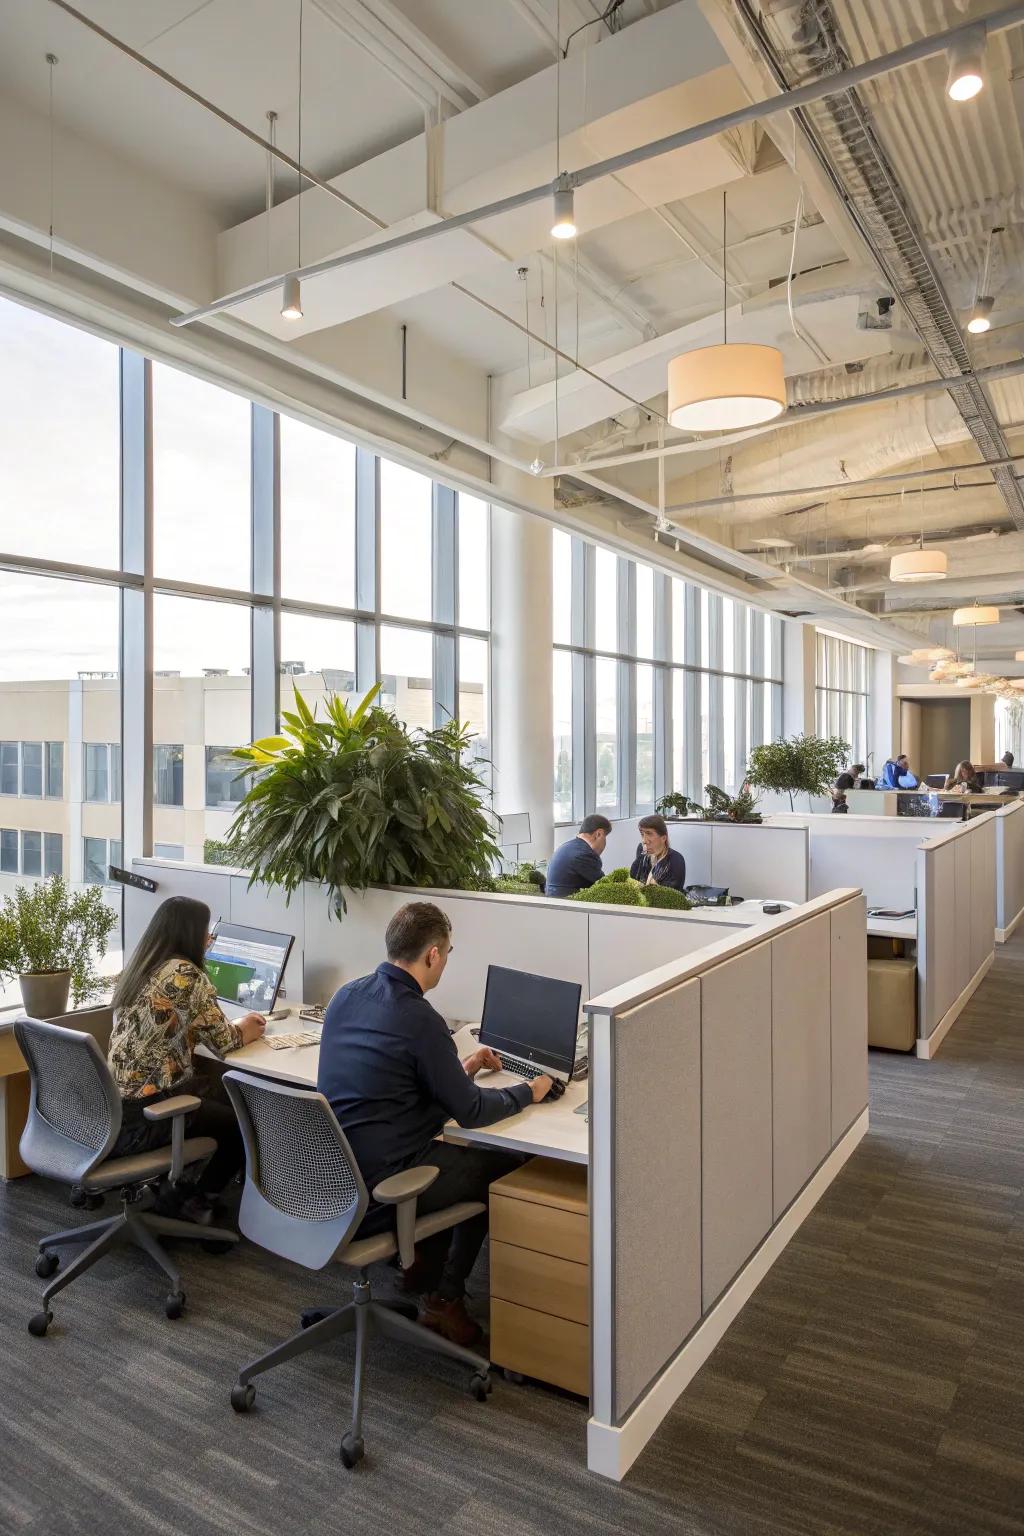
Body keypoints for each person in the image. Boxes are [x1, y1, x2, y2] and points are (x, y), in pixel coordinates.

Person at [318, 902, 556, 1348]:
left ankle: (419, 1271)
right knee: (500, 1167)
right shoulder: (420, 1019)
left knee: (451, 1156)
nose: (445, 960)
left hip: (330, 1174)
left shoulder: (347, 996)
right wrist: (531, 1091)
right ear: (432, 955)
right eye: (447, 952)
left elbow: (394, 1088)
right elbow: (472, 1113)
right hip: (379, 1188)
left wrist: (460, 1070)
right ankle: (444, 1300)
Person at [107, 896, 266, 1211]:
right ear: (191, 934)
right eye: (207, 933)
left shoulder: (140, 966)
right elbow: (225, 1043)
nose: (209, 940)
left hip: (112, 1107)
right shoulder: (186, 974)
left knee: (218, 1092)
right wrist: (249, 1024)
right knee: (244, 1121)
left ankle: (181, 1184)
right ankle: (198, 1198)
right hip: (146, 1116)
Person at [544, 813, 612, 898]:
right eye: (605, 837)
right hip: (568, 906)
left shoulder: (565, 847)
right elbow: (606, 886)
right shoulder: (585, 854)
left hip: (554, 902)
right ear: (599, 834)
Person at [629, 814, 687, 890]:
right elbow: (633, 878)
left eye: (649, 834)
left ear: (663, 838)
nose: (644, 841)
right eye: (642, 834)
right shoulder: (642, 852)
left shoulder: (676, 859)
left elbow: (672, 893)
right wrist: (644, 857)